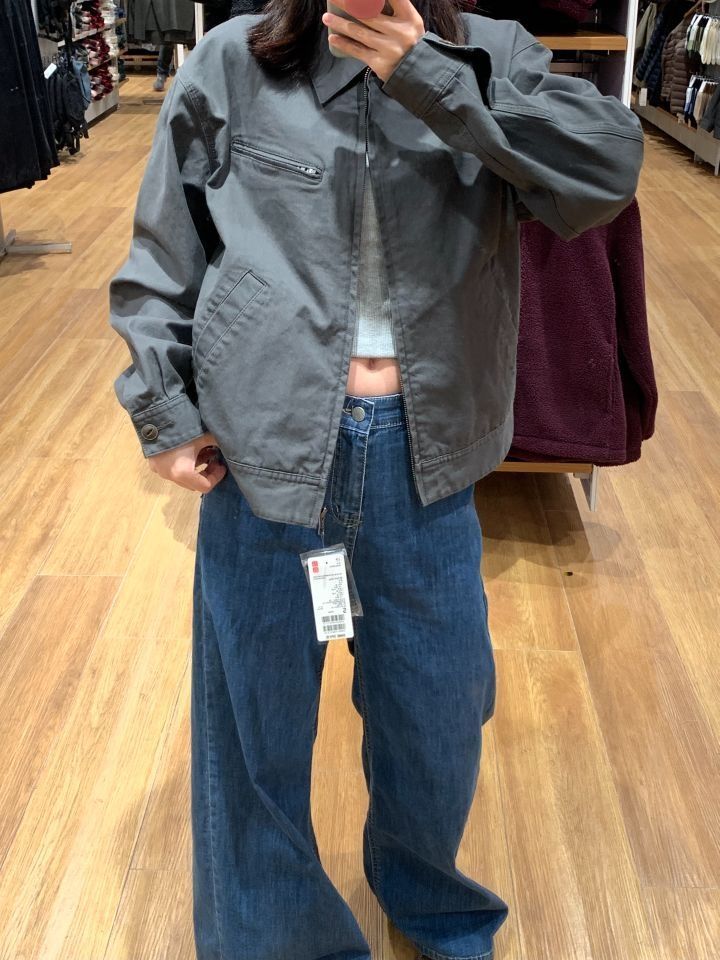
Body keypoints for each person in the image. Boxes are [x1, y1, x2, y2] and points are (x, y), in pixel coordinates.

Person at [107, 2, 644, 959]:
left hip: (424, 456)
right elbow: (163, 252)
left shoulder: (490, 55)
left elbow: (606, 173)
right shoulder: (235, 61)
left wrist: (429, 75)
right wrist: (162, 407)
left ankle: (432, 903)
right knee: (253, 726)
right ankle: (277, 940)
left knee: (439, 714)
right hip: (266, 449)